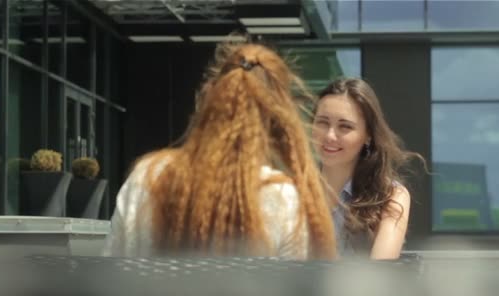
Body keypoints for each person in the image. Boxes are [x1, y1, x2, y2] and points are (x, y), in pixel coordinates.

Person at [102, 43, 336, 260]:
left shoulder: (147, 176)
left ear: (208, 98)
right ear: (276, 119)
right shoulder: (283, 197)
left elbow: (111, 272)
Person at [311, 78, 424, 259]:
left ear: (368, 136)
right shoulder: (289, 192)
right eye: (323, 122)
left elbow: (379, 274)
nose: (330, 135)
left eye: (345, 126)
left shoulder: (390, 196)